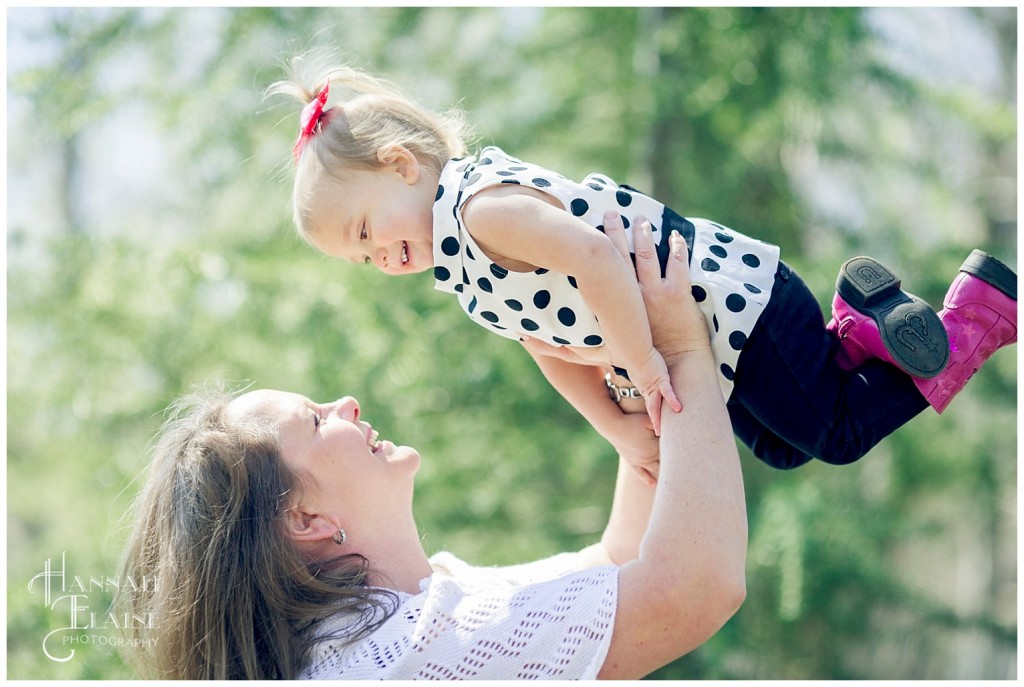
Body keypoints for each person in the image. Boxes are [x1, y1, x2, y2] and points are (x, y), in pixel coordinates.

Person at [270, 63, 1016, 479]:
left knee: (839, 432)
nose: (379, 257)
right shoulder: (463, 269)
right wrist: (620, 431)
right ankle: (859, 333)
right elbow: (544, 347)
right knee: (783, 445)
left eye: (368, 231)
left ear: (400, 166)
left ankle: (971, 317)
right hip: (718, 337)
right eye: (362, 258)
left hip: (734, 307)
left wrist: (642, 366)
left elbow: (596, 258)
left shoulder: (479, 210)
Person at [115, 227, 747, 679]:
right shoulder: (403, 654)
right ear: (303, 519)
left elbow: (616, 563)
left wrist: (635, 379)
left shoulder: (420, 607)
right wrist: (682, 349)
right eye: (315, 419)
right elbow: (692, 588)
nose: (348, 403)